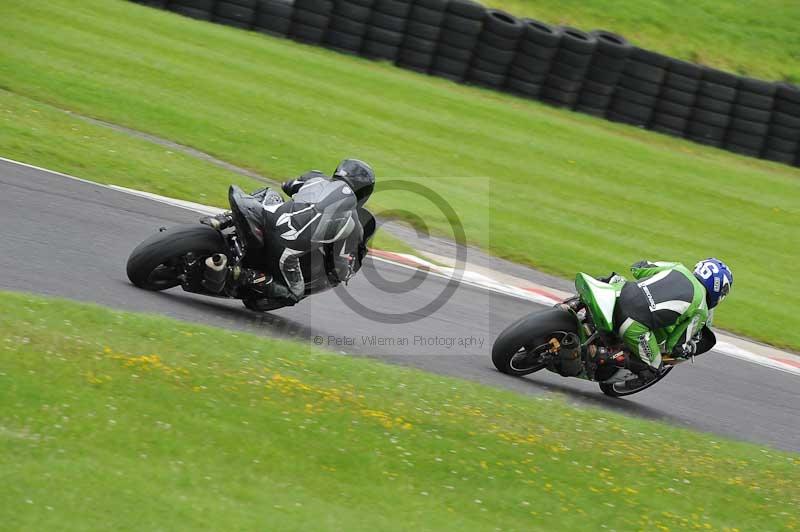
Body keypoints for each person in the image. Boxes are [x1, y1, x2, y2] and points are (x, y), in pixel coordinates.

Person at [200, 159, 376, 310]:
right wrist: (346, 271)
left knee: (272, 194)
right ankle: (240, 274)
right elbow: (340, 265)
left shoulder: (316, 178)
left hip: (270, 217)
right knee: (294, 293)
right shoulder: (354, 224)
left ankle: (225, 218)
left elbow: (287, 185)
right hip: (286, 248)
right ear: (364, 193)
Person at [595, 259, 733, 383]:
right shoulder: (701, 309)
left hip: (617, 293)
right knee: (654, 369)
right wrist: (683, 351)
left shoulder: (678, 267)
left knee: (613, 279)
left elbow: (638, 268)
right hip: (632, 323)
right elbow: (674, 345)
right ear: (719, 289)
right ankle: (602, 356)